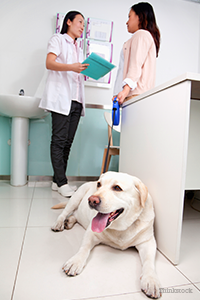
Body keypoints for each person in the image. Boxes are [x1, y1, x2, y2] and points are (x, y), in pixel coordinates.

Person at [39, 11, 89, 197]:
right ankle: (62, 182)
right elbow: (49, 63)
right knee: (59, 141)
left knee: (67, 143)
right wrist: (72, 67)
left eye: (84, 24)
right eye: (79, 22)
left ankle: (56, 180)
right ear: (68, 22)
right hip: (62, 99)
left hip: (76, 100)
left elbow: (77, 72)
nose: (82, 26)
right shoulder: (58, 39)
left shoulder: (80, 48)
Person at [113, 2, 160, 105]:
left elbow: (135, 65)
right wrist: (118, 93)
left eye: (129, 17)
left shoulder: (141, 35)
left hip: (135, 95)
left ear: (140, 17)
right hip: (133, 96)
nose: (127, 22)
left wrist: (125, 90)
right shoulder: (139, 37)